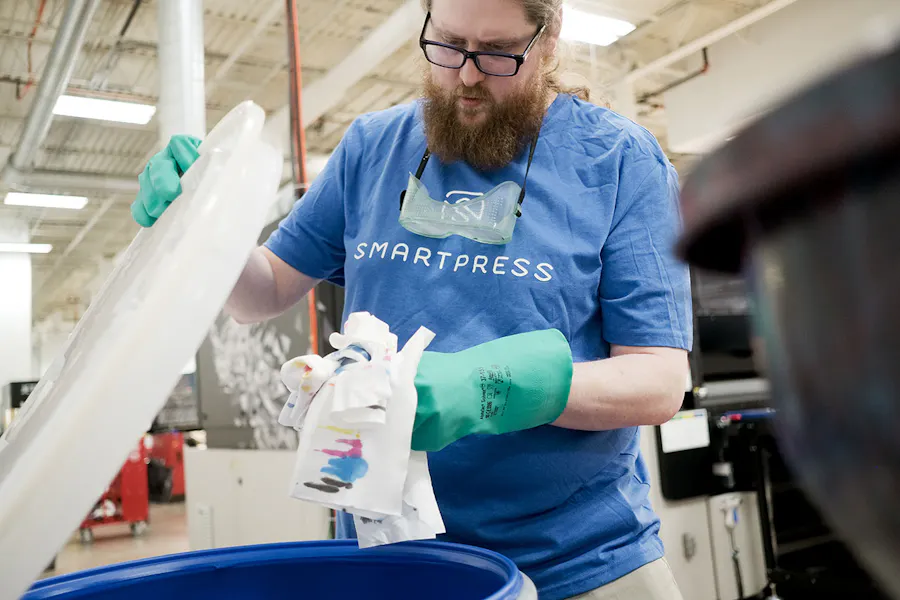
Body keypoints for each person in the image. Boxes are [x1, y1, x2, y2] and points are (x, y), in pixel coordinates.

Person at [132, 0, 692, 597]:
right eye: (449, 45)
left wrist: (490, 388)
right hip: (394, 557)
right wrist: (203, 230)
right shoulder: (372, 147)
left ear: (549, 38)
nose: (468, 75)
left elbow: (659, 381)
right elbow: (261, 293)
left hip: (579, 560)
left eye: (498, 52)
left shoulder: (620, 161)